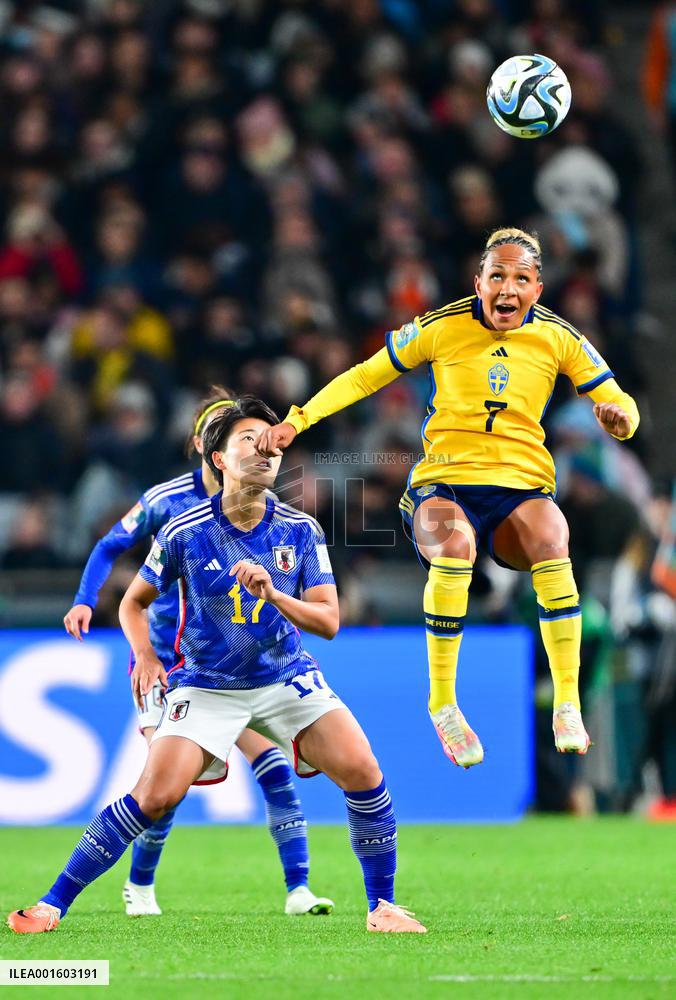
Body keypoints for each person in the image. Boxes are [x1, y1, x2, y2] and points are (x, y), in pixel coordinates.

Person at [8, 397, 426, 935]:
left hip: (285, 677)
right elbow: (132, 602)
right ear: (218, 459)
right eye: (247, 441)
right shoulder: (183, 530)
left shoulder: (301, 529)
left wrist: (276, 595)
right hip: (206, 684)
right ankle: (52, 903)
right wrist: (145, 654)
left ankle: (381, 907)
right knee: (155, 797)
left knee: (365, 772)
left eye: (271, 441)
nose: (265, 450)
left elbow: (328, 621)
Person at [255, 228, 640, 769]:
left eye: (521, 278)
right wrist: (300, 419)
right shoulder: (440, 326)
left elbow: (619, 403)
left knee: (553, 538)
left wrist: (620, 420)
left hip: (520, 487)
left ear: (538, 287)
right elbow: (366, 376)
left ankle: (568, 703)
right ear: (478, 281)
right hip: (445, 482)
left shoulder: (559, 337)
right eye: (498, 276)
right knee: (454, 547)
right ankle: (443, 703)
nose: (508, 287)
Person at [62, 387, 332, 918]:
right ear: (205, 446)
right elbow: (112, 546)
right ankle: (140, 884)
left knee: (274, 764)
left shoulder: (270, 509)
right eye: (236, 437)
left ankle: (298, 888)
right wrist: (85, 601)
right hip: (166, 660)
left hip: (237, 664)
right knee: (165, 790)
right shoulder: (167, 503)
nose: (255, 448)